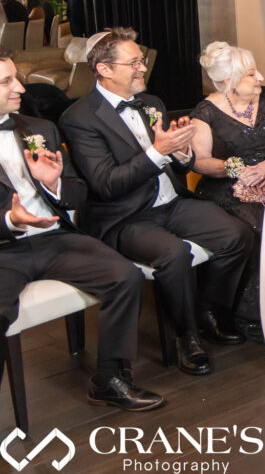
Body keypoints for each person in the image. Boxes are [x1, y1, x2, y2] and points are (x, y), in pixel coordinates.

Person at [60, 28, 254, 377]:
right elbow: (106, 184)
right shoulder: (79, 119)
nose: (142, 68)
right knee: (173, 253)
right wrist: (157, 152)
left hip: (171, 202)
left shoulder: (152, 104)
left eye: (142, 60)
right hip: (125, 216)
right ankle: (187, 336)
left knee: (237, 233)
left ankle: (207, 310)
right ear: (104, 69)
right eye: (133, 62)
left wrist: (181, 152)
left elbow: (174, 159)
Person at [0, 46, 163, 411]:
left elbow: (77, 191)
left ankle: (110, 380)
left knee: (125, 276)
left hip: (54, 238)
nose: (21, 89)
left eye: (16, 78)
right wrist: (10, 220)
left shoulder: (40, 128)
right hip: (4, 249)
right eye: (7, 82)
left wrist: (54, 184)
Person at [191, 42, 265, 341]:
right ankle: (250, 315)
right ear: (229, 81)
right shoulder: (205, 113)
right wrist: (234, 168)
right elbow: (200, 162)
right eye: (251, 74)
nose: (260, 77)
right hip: (228, 186)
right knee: (261, 225)